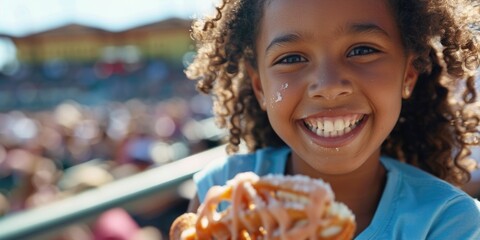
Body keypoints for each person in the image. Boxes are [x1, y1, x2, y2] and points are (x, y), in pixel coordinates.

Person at [184, 0, 480, 238]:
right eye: (290, 58)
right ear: (260, 87)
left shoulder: (448, 221)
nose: (328, 85)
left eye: (362, 50)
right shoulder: (221, 194)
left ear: (408, 74)